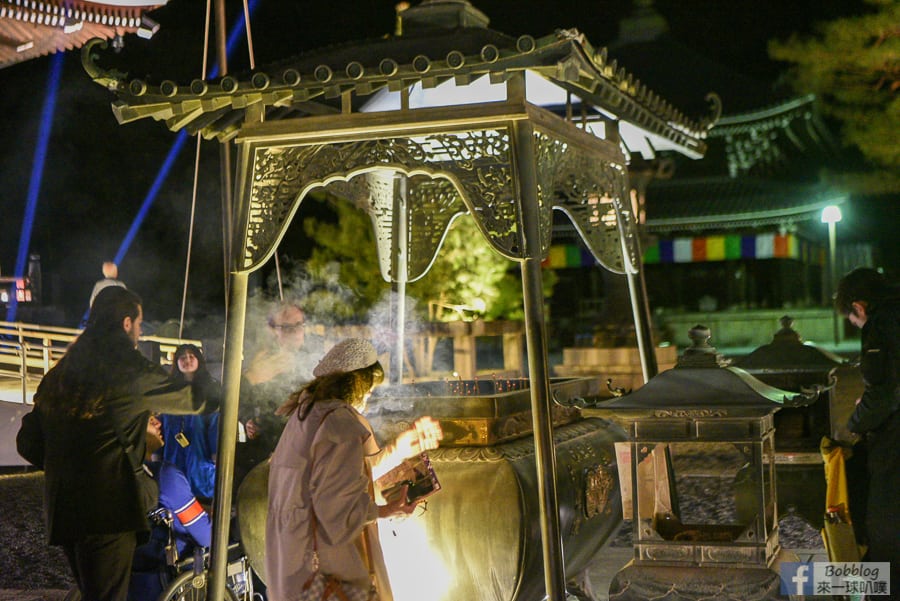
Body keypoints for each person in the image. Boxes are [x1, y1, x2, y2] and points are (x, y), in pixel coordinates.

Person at [16, 286, 205, 601]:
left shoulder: (62, 372)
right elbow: (193, 399)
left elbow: (28, 442)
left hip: (65, 511)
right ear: (126, 323)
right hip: (109, 510)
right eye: (140, 324)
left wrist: (70, 464)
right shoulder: (128, 368)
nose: (140, 332)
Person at [265, 338, 443, 601]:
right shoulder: (339, 423)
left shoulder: (306, 414)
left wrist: (397, 450)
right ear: (357, 383)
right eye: (369, 390)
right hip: (328, 570)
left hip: (291, 562)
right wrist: (386, 510)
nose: (369, 398)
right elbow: (337, 511)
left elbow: (336, 477)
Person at [834, 267, 899, 596]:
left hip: (894, 443)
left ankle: (883, 591)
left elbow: (883, 394)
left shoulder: (881, 325)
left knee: (884, 523)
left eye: (853, 320)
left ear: (859, 308)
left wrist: (852, 427)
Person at [130, 415, 212, 601]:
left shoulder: (115, 475)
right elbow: (206, 536)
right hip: (169, 581)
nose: (158, 422)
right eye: (149, 419)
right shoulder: (166, 476)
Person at [235, 301, 316, 488]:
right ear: (274, 331)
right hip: (263, 453)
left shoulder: (316, 360)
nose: (294, 331)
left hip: (303, 455)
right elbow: (240, 402)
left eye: (298, 325)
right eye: (286, 327)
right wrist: (248, 419)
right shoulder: (263, 361)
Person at [160, 344, 221, 503]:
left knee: (201, 503)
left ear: (199, 360)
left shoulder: (211, 389)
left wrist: (216, 453)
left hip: (200, 459)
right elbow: (161, 425)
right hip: (172, 457)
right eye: (182, 357)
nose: (187, 360)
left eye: (191, 356)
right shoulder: (168, 390)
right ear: (176, 362)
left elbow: (216, 422)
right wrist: (156, 454)